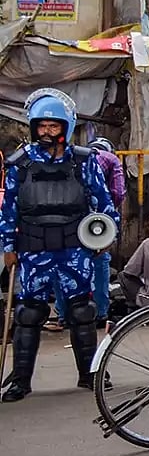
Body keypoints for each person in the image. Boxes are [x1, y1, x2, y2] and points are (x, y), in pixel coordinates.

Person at [0, 89, 120, 402]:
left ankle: (90, 374)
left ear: (65, 127)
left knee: (82, 311)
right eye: (42, 126)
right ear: (33, 126)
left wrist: (106, 237)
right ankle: (21, 382)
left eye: (54, 127)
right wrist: (8, 246)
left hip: (74, 249)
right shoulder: (19, 164)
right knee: (28, 313)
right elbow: (9, 209)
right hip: (33, 249)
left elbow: (104, 203)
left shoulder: (83, 162)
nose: (48, 132)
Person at [80, 137, 125, 329]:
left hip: (72, 219)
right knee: (100, 262)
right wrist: (108, 215)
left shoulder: (76, 157)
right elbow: (118, 192)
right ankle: (100, 313)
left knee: (68, 264)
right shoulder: (111, 159)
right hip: (97, 220)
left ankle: (65, 313)